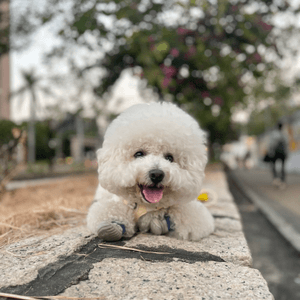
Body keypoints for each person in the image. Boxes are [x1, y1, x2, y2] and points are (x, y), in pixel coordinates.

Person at [268, 122, 289, 189]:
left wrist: (271, 151)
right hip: (282, 153)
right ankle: (283, 181)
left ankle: (276, 178)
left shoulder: (274, 134)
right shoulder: (284, 134)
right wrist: (286, 153)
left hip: (275, 152)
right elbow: (287, 144)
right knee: (283, 167)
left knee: (273, 165)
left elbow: (271, 144)